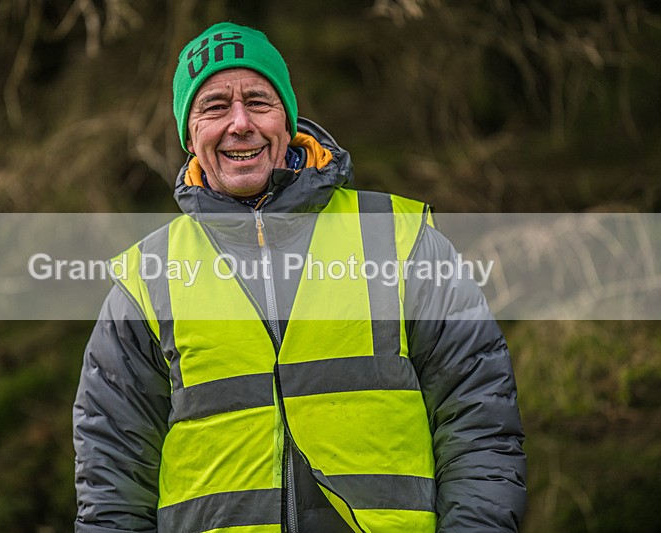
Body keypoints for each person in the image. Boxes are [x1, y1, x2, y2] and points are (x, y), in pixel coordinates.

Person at [73, 22, 526, 532]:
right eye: (215, 107)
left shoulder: (399, 240)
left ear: (287, 121)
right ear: (189, 134)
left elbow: (480, 423)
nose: (240, 123)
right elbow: (111, 471)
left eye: (258, 102)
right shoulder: (147, 277)